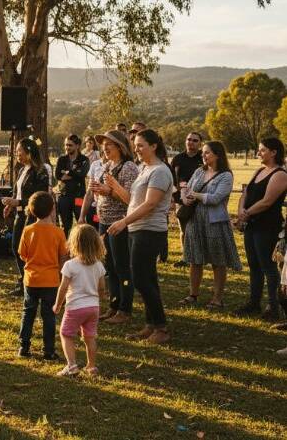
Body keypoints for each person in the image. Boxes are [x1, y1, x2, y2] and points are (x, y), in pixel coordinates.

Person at [107, 129, 174, 344]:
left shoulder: (160, 171)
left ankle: (161, 328)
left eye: (141, 145)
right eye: (135, 145)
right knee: (148, 278)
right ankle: (151, 325)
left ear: (154, 146)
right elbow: (133, 199)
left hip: (150, 231)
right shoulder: (145, 168)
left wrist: (124, 221)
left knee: (141, 280)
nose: (136, 149)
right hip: (137, 229)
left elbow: (150, 204)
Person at [180, 141, 241, 309]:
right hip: (194, 220)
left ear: (218, 155)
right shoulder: (199, 171)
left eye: (207, 153)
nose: (203, 155)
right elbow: (187, 191)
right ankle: (193, 295)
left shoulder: (226, 175)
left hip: (214, 222)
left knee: (218, 260)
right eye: (203, 153)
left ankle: (217, 298)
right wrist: (185, 196)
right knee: (195, 259)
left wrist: (194, 194)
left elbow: (215, 198)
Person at [86, 130, 138, 325]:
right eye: (104, 145)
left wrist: (109, 191)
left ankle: (125, 309)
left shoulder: (129, 167)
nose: (105, 148)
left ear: (121, 147)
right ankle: (114, 306)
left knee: (122, 267)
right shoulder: (107, 166)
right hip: (104, 222)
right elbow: (104, 193)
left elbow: (131, 200)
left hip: (120, 223)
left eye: (110, 144)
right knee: (110, 267)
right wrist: (99, 192)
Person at [236, 138, 287, 321]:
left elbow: (267, 202)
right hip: (252, 225)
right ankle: (253, 302)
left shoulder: (280, 174)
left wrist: (246, 213)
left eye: (262, 150)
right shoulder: (259, 170)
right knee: (254, 266)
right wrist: (241, 210)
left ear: (274, 152)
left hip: (267, 226)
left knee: (268, 267)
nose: (259, 153)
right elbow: (246, 193)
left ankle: (273, 306)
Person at [17, 191, 68, 360]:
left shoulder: (28, 230)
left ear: (31, 211)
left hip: (31, 279)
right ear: (53, 208)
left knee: (28, 312)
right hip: (50, 280)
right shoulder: (58, 232)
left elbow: (22, 254)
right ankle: (48, 350)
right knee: (49, 315)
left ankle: (23, 347)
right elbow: (63, 255)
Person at [53, 224, 107, 377]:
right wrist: (100, 299)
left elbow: (63, 288)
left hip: (75, 307)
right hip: (93, 307)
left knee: (66, 334)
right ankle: (91, 366)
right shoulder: (99, 265)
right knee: (89, 337)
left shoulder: (70, 265)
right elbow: (101, 288)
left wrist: (58, 304)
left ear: (74, 243)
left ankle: (71, 366)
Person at [1, 138, 50, 296]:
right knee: (17, 248)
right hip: (19, 214)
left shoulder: (40, 171)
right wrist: (11, 204)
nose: (17, 155)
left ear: (29, 152)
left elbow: (41, 196)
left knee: (30, 250)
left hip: (32, 215)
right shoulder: (22, 170)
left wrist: (18, 201)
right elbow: (18, 191)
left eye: (19, 152)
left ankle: (31, 283)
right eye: (16, 153)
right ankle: (24, 280)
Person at [172, 131, 205, 267]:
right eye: (189, 139)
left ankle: (199, 257)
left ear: (200, 143)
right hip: (181, 201)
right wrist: (176, 197)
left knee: (199, 231)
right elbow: (172, 180)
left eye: (195, 140)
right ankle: (185, 257)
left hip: (200, 200)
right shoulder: (177, 159)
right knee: (184, 231)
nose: (191, 142)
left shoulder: (203, 158)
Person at [55, 134, 90, 237]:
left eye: (70, 145)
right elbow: (57, 175)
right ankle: (65, 248)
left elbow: (82, 174)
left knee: (81, 224)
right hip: (64, 196)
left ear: (77, 146)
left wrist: (67, 173)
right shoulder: (62, 159)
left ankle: (80, 248)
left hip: (78, 196)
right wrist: (74, 173)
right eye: (66, 145)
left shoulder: (84, 159)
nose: (67, 147)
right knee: (65, 225)